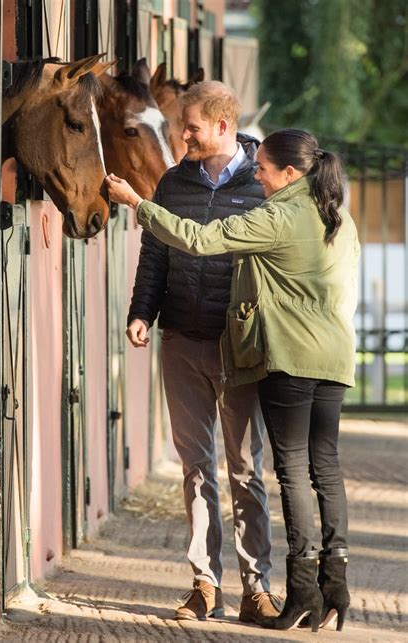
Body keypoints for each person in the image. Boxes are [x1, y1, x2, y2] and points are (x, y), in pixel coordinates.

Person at [106, 127, 359, 633]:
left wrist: (138, 202)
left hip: (289, 359)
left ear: (290, 173)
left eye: (263, 167)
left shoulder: (278, 214)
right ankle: (337, 582)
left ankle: (304, 589)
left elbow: (200, 240)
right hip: (335, 357)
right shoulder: (339, 214)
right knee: (325, 468)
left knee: (288, 472)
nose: (257, 174)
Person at [123, 81, 281, 624]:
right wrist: (141, 312)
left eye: (190, 126)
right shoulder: (173, 181)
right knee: (195, 469)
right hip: (182, 340)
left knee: (244, 469)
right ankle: (204, 585)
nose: (180, 134)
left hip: (238, 349)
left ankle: (257, 588)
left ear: (221, 126)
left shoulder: (262, 182)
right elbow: (155, 255)